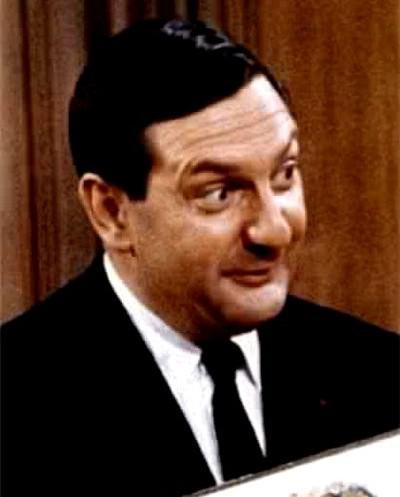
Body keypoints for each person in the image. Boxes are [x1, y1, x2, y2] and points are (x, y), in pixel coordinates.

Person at [2, 19, 399, 497]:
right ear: (111, 211)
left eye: (284, 174)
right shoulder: (15, 408)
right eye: (219, 193)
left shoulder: (380, 374)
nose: (273, 230)